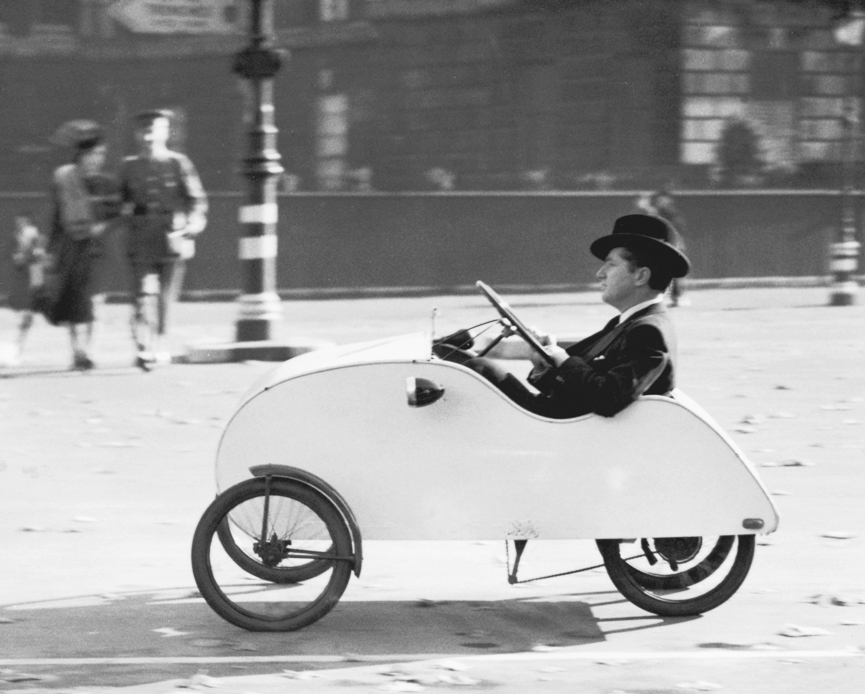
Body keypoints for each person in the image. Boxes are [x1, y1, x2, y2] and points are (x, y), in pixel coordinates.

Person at [464, 214, 691, 419]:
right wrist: (545, 361)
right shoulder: (629, 324)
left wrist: (561, 359)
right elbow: (577, 387)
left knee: (479, 369)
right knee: (465, 362)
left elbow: (608, 398)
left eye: (610, 265)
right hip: (569, 427)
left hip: (575, 435)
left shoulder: (648, 331)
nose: (600, 273)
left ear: (641, 276)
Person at [118, 109, 207, 371]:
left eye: (155, 129)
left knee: (166, 297)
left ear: (165, 132)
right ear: (137, 134)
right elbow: (117, 201)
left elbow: (196, 200)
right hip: (139, 236)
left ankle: (161, 343)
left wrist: (193, 224)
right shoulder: (128, 166)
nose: (149, 135)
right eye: (144, 130)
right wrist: (124, 215)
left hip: (170, 236)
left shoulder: (178, 163)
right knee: (142, 296)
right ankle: (143, 345)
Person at [46, 121, 122, 371]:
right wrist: (50, 251)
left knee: (95, 299)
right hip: (70, 246)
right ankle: (76, 351)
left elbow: (118, 213)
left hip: (98, 248)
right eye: (92, 154)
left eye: (100, 154)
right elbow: (56, 218)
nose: (96, 159)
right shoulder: (64, 179)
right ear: (80, 155)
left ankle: (90, 350)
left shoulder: (108, 183)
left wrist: (104, 227)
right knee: (71, 301)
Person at [7, 213, 48, 363]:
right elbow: (21, 261)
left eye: (22, 222)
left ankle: (17, 349)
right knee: (26, 318)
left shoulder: (30, 235)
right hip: (29, 282)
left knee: (27, 317)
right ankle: (17, 348)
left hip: (34, 281)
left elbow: (36, 258)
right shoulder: (21, 238)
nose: (20, 225)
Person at [638, 190, 689, 307]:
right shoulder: (661, 211)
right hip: (662, 246)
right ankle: (662, 297)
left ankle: (678, 297)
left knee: (675, 274)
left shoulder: (671, 213)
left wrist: (647, 207)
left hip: (673, 246)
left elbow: (661, 222)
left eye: (664, 199)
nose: (661, 201)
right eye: (660, 199)